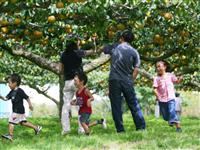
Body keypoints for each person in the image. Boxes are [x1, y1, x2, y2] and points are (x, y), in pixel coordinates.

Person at [103, 30, 146, 133]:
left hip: (114, 80)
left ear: (121, 38)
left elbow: (104, 49)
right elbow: (136, 69)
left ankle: (120, 129)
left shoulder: (114, 47)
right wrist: (131, 80)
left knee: (116, 105)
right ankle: (141, 127)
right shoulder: (134, 51)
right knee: (133, 104)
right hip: (127, 80)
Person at [59, 38, 95, 135]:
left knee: (66, 105)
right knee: (81, 106)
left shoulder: (63, 55)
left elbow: (61, 70)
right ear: (75, 47)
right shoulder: (78, 52)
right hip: (78, 81)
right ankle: (81, 129)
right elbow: (91, 52)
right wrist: (93, 45)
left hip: (67, 82)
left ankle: (66, 129)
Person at [0, 74, 42, 141]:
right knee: (23, 122)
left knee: (11, 121)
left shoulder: (19, 91)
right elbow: (5, 99)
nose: (8, 84)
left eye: (9, 83)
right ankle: (36, 127)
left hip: (18, 111)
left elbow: (27, 97)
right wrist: (0, 96)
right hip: (18, 111)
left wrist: (30, 105)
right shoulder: (11, 92)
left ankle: (10, 135)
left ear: (15, 83)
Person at [153, 61, 183, 132]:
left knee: (172, 111)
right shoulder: (156, 78)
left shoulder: (170, 75)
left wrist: (180, 79)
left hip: (171, 97)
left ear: (165, 67)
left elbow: (177, 81)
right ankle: (170, 119)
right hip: (162, 99)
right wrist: (157, 96)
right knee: (166, 116)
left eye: (160, 66)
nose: (158, 68)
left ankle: (178, 128)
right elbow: (155, 89)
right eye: (157, 67)